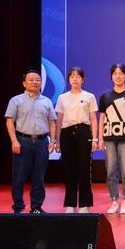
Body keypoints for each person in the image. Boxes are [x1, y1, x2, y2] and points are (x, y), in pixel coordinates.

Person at [5, 70, 56, 213]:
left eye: (37, 79)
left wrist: (52, 141)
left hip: (42, 141)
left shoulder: (46, 101)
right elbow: (10, 122)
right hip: (22, 141)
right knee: (19, 176)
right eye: (31, 79)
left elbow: (52, 123)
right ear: (24, 83)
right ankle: (18, 207)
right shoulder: (16, 100)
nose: (35, 82)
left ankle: (36, 207)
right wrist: (14, 141)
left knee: (39, 177)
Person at [55, 67, 98, 213]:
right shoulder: (62, 98)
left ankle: (85, 204)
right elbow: (59, 120)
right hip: (67, 133)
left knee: (84, 169)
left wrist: (94, 139)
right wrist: (58, 140)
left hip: (84, 132)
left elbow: (93, 119)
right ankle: (70, 203)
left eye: (78, 76)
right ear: (68, 79)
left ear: (83, 80)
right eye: (72, 76)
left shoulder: (89, 96)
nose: (75, 79)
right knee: (69, 169)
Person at [98, 63, 125, 214]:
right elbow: (102, 118)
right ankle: (114, 201)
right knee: (111, 171)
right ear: (111, 76)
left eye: (121, 73)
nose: (118, 76)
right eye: (115, 73)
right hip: (109, 137)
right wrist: (100, 138)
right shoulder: (105, 95)